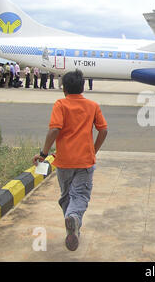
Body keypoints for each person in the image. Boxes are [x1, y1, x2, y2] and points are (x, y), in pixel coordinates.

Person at [31, 69, 108, 251]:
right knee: (80, 195)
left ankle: (72, 226)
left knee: (66, 196)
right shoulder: (92, 106)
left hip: (64, 162)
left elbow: (55, 129)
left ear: (64, 89)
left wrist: (43, 154)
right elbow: (103, 130)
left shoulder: (60, 104)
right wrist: (93, 150)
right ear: (82, 88)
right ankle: (73, 220)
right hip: (85, 162)